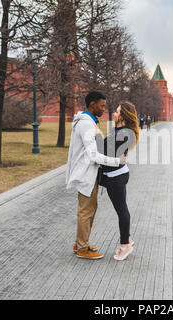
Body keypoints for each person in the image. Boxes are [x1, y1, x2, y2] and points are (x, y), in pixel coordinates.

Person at [66, 91, 126, 260]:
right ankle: (83, 248)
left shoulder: (89, 121)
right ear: (92, 104)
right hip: (86, 173)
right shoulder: (86, 124)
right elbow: (93, 154)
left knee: (90, 209)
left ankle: (80, 243)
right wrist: (116, 161)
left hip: (90, 173)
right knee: (86, 211)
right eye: (102, 105)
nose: (104, 109)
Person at [98, 101, 139, 261]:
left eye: (117, 111)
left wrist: (95, 133)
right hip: (115, 175)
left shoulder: (125, 133)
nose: (113, 113)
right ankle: (127, 238)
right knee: (121, 209)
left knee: (122, 210)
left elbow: (102, 150)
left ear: (123, 115)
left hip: (117, 177)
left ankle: (125, 246)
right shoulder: (120, 130)